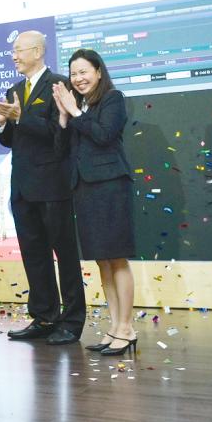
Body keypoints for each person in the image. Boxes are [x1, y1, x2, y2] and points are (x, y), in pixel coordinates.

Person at [0, 31, 85, 346]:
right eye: (12, 51)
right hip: (23, 187)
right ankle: (44, 317)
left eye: (18, 50)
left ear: (38, 51)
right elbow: (12, 139)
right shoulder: (15, 89)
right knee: (34, 255)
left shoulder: (59, 84)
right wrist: (1, 122)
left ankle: (71, 321)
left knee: (65, 256)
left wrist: (21, 116)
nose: (13, 56)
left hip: (54, 185)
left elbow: (59, 133)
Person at [51, 48, 137, 356]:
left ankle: (127, 328)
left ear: (99, 72)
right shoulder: (78, 107)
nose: (78, 78)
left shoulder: (113, 99)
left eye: (84, 72)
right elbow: (61, 151)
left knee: (117, 258)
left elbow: (103, 136)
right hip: (85, 190)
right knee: (102, 260)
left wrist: (74, 112)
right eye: (73, 74)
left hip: (111, 187)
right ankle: (115, 326)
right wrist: (63, 117)